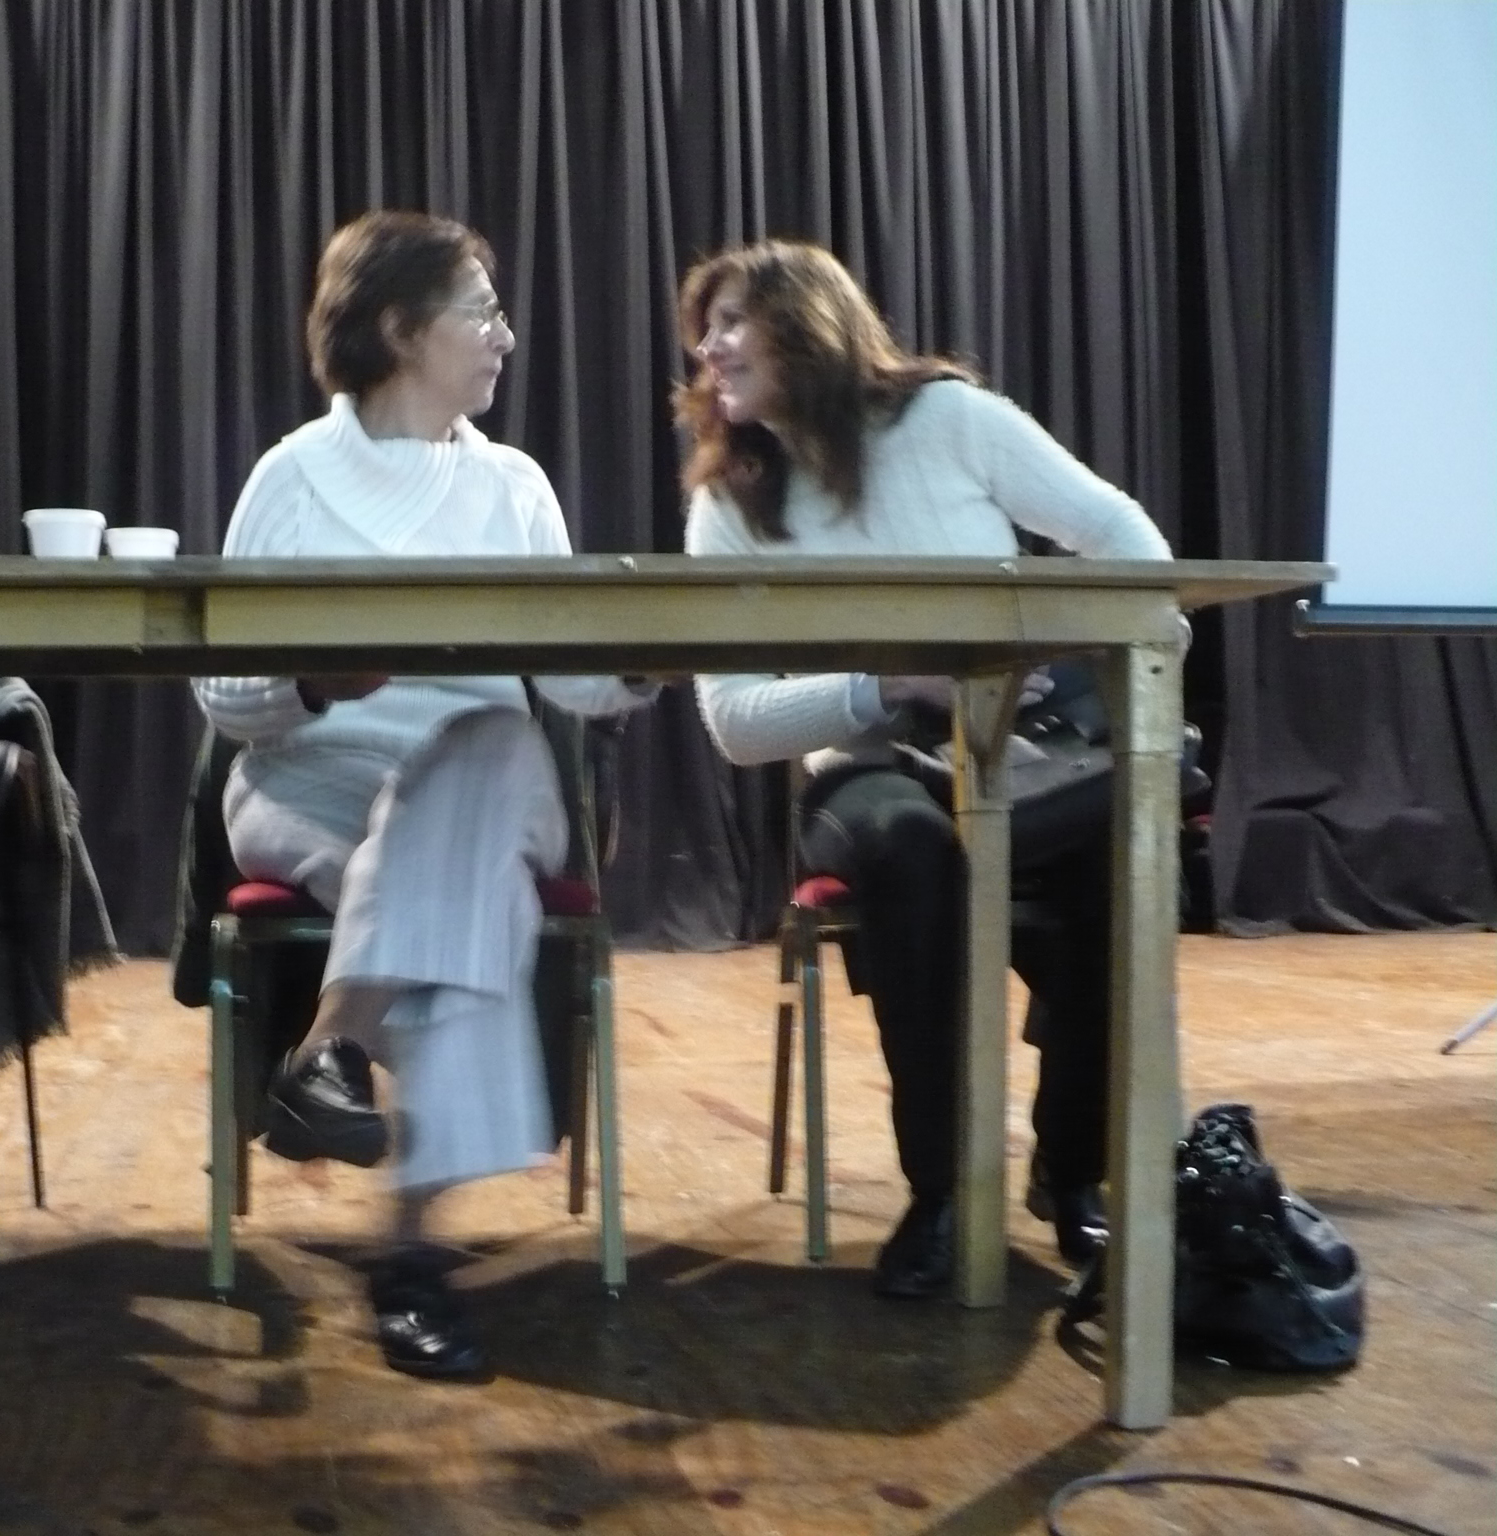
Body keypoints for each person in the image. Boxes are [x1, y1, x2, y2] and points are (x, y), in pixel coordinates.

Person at [195, 210, 656, 1380]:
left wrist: (645, 660)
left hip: (483, 787)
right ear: (400, 328)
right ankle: (408, 1259)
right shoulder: (291, 477)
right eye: (481, 312)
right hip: (313, 784)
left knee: (487, 741)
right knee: (463, 904)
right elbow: (222, 693)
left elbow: (574, 681)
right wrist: (312, 682)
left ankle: (330, 1043)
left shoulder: (513, 486)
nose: (505, 336)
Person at [676, 240, 1174, 1298]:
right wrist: (887, 684)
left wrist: (1040, 655)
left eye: (729, 323)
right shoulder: (731, 501)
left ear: (806, 324)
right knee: (912, 848)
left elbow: (1125, 540)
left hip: (1016, 754)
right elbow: (733, 723)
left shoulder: (951, 421)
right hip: (864, 773)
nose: (707, 349)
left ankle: (1072, 1170)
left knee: (1117, 856)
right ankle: (942, 1191)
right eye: (703, 331)